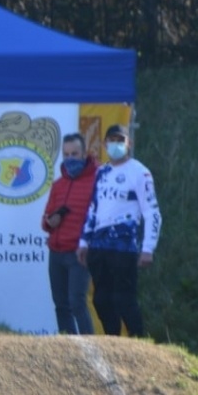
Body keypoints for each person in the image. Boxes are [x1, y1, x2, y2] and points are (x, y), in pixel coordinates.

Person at [76, 124, 161, 338]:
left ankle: (139, 340)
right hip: (98, 245)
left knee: (123, 298)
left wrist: (148, 248)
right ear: (105, 144)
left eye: (120, 140)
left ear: (128, 143)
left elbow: (152, 212)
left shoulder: (140, 173)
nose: (115, 144)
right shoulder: (101, 172)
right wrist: (84, 243)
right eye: (111, 140)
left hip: (124, 246)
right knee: (101, 299)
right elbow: (93, 208)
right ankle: (112, 342)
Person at [41, 133, 97, 335]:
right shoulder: (58, 184)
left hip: (79, 252)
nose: (70, 158)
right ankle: (69, 347)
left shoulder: (97, 180)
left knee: (77, 302)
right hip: (56, 251)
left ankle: (90, 346)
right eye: (66, 154)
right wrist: (50, 221)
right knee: (60, 304)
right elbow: (45, 220)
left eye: (74, 153)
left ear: (84, 154)